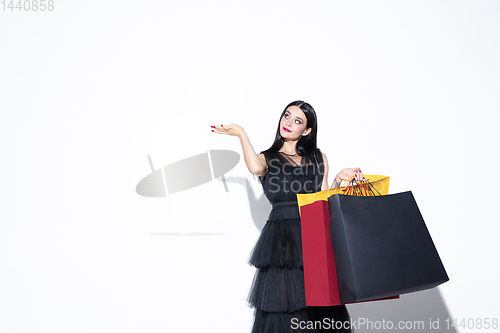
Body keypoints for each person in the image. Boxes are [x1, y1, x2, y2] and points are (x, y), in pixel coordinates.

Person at [211, 101, 366, 333]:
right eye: (286, 116)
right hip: (282, 240)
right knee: (285, 305)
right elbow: (254, 168)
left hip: (313, 234)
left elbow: (322, 199)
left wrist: (338, 180)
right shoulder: (267, 158)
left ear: (307, 131)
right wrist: (241, 133)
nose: (288, 123)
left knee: (318, 302)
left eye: (297, 121)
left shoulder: (319, 158)